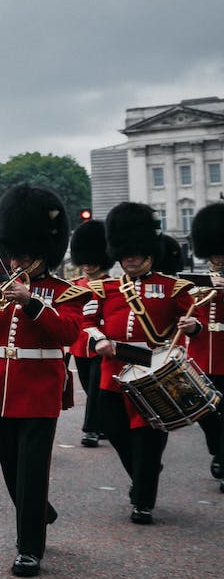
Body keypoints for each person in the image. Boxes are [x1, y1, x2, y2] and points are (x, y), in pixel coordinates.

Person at [0, 184, 86, 577]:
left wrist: (30, 302)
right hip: (0, 390)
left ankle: (29, 548)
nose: (16, 262)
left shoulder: (63, 292)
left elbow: (68, 333)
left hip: (39, 392)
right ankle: (38, 509)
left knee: (31, 470)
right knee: (5, 457)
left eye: (24, 256)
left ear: (43, 254)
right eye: (12, 254)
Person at [87, 203, 201, 525]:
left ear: (149, 253)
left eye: (136, 253)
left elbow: (195, 319)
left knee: (147, 441)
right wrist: (99, 340)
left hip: (153, 375)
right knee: (116, 432)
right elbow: (87, 323)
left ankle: (143, 501)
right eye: (126, 254)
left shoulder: (172, 288)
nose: (131, 259)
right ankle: (143, 475)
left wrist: (193, 326)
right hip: (114, 374)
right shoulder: (105, 289)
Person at [67, 222, 112, 447]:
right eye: (84, 259)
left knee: (95, 388)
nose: (86, 264)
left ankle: (91, 430)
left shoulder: (112, 286)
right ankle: (103, 424)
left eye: (91, 259)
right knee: (88, 387)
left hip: (101, 345)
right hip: (79, 345)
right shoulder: (75, 285)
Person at [190, 205, 224, 490]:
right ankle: (217, 447)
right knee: (204, 411)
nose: (218, 258)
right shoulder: (199, 281)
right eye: (214, 253)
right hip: (201, 356)